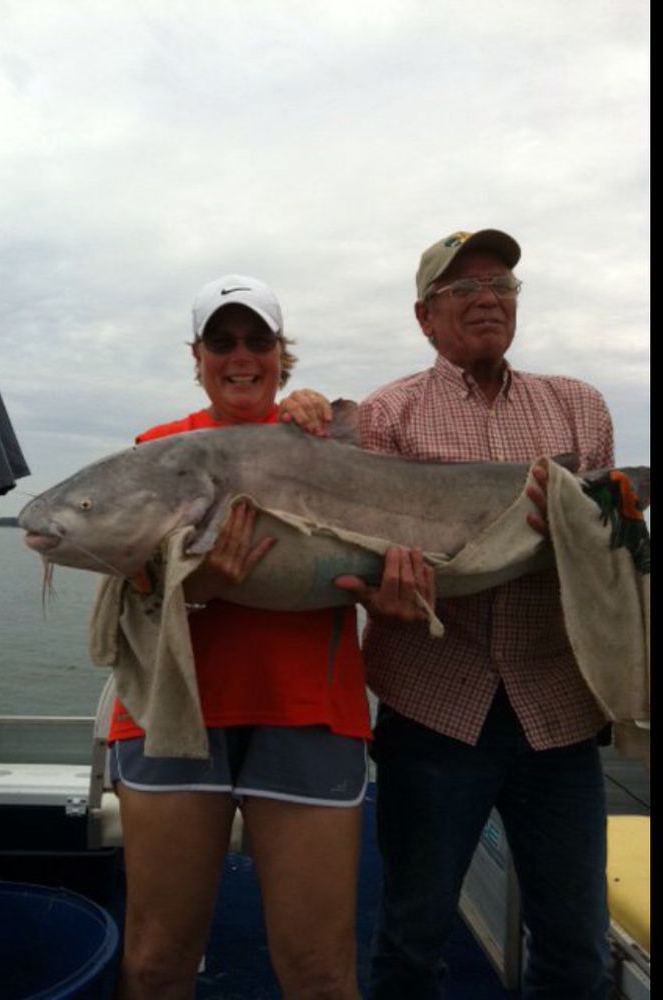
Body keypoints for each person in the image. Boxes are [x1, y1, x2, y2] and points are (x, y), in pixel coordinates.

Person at [107, 274, 434, 1000]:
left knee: (320, 974)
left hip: (309, 710)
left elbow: (377, 548)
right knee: (156, 963)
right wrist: (200, 586)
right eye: (222, 342)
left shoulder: (326, 440)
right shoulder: (158, 448)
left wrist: (393, 601)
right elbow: (124, 595)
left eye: (259, 340)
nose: (241, 355)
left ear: (284, 355)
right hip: (172, 714)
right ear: (196, 357)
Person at [328, 230, 615, 999]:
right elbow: (362, 549)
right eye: (463, 289)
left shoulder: (580, 408)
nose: (488, 298)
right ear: (424, 317)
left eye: (503, 284)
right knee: (412, 937)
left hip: (558, 708)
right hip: (433, 711)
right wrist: (387, 604)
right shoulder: (386, 416)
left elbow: (606, 549)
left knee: (575, 945)